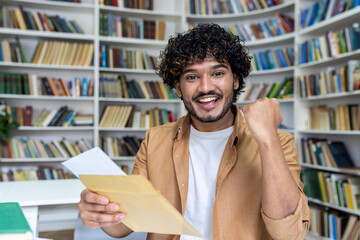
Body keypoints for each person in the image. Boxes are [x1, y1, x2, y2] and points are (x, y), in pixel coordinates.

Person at [78, 23, 310, 240]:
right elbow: (122, 225)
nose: (206, 87)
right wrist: (100, 210)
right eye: (192, 77)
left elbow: (289, 233)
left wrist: (267, 138)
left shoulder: (278, 141)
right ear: (178, 87)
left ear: (236, 80)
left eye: (218, 73)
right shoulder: (155, 140)